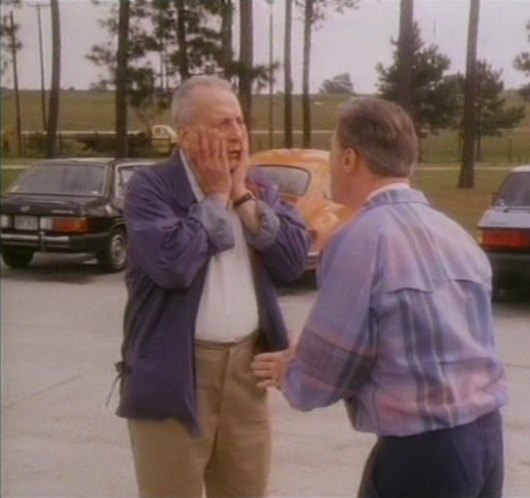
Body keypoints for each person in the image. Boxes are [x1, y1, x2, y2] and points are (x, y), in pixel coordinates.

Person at [252, 97, 508, 498]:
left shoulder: (360, 240)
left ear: (349, 159)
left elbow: (325, 373)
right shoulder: (454, 234)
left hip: (424, 455)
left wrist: (292, 373)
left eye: (333, 152)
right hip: (487, 440)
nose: (331, 163)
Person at [115, 75, 310, 498]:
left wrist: (242, 198)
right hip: (174, 379)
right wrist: (217, 198)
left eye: (240, 121)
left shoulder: (258, 185)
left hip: (246, 375)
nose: (238, 134)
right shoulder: (151, 188)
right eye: (223, 124)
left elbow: (294, 260)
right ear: (186, 135)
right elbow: (172, 264)